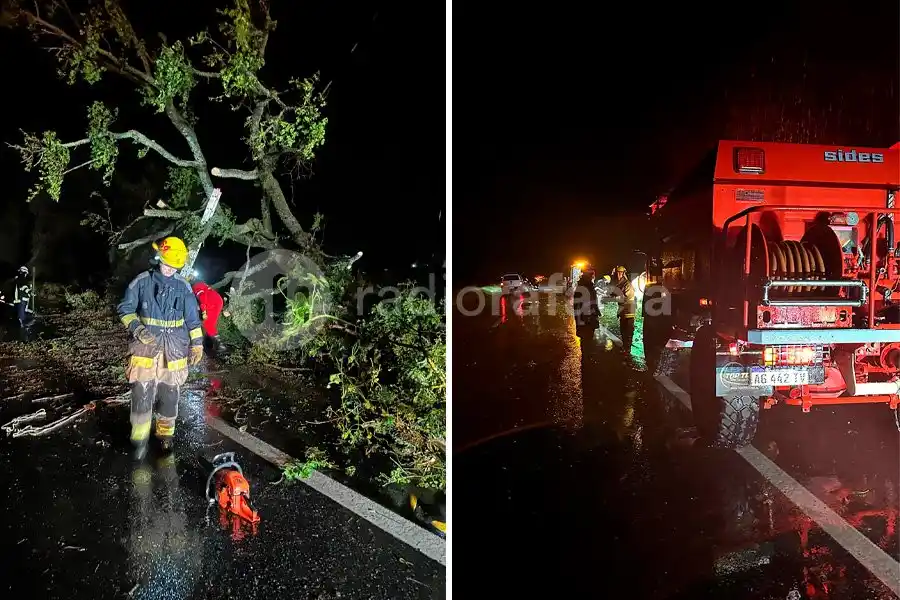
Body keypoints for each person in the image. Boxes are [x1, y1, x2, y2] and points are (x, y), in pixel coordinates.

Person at [117, 237, 204, 459]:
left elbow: (193, 320)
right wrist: (137, 328)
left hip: (174, 347)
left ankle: (165, 436)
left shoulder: (183, 287)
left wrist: (197, 344)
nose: (168, 269)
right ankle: (139, 438)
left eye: (173, 266)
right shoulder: (142, 281)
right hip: (145, 345)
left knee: (170, 392)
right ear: (158, 259)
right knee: (142, 390)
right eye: (165, 264)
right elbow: (125, 308)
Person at [191, 279, 226, 356]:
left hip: (212, 303)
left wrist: (204, 311)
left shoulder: (196, 287)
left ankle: (219, 347)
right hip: (218, 301)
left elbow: (202, 297)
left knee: (208, 325)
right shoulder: (202, 285)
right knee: (210, 324)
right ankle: (218, 346)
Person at [613, 265, 636, 347]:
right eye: (617, 273)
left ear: (623, 274)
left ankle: (628, 348)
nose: (617, 275)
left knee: (628, 330)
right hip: (623, 310)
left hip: (629, 310)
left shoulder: (627, 284)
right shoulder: (620, 284)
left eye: (619, 273)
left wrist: (615, 297)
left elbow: (626, 297)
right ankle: (625, 347)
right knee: (623, 330)